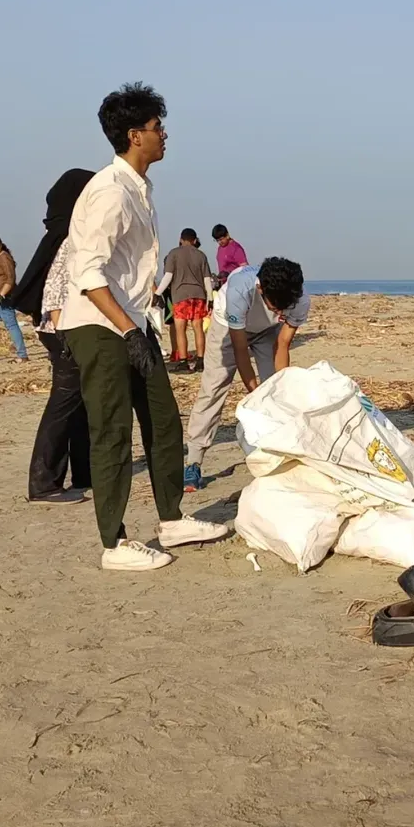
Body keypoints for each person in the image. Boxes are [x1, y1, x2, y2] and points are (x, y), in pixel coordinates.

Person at [61, 82, 228, 570]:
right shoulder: (111, 192)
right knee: (111, 431)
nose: (164, 134)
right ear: (135, 135)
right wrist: (128, 330)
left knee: (163, 418)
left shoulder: (140, 187)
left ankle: (172, 520)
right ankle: (114, 544)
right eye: (157, 128)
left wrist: (140, 325)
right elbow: (87, 272)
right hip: (100, 323)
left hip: (133, 320)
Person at [5, 169, 95, 503]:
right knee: (64, 402)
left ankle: (84, 473)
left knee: (80, 404)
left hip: (64, 332)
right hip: (63, 333)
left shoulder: (68, 235)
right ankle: (44, 483)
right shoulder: (72, 240)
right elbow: (55, 295)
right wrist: (68, 338)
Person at [183, 257, 310, 491]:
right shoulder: (239, 290)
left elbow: (282, 345)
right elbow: (240, 349)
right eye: (276, 307)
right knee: (213, 388)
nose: (282, 311)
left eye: (285, 307)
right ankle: (193, 460)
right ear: (260, 288)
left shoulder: (299, 299)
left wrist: (276, 390)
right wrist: (255, 393)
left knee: (275, 388)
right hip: (228, 328)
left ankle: (276, 453)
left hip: (267, 332)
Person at [158, 228, 214, 371]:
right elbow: (207, 279)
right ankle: (201, 361)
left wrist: (158, 293)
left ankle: (184, 361)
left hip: (180, 295)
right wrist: (210, 298)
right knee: (198, 328)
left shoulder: (174, 254)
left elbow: (168, 276)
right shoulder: (201, 255)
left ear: (181, 239)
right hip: (199, 295)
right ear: (195, 240)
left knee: (180, 329)